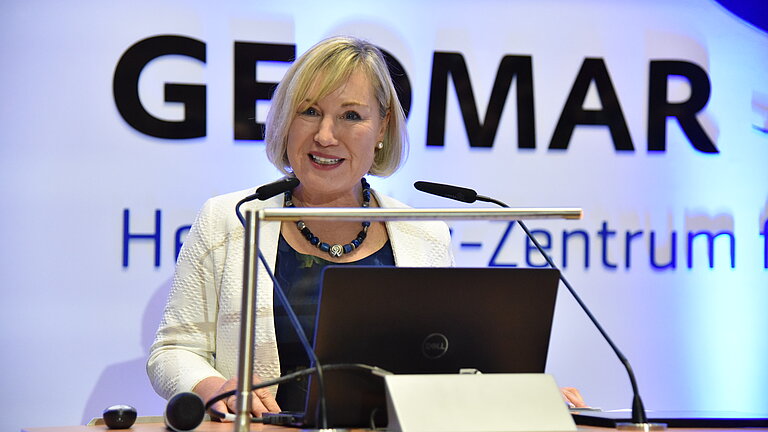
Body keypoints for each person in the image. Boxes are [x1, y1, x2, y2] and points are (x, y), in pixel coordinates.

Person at [147, 35, 586, 420]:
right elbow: (172, 352)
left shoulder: (423, 235)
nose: (324, 135)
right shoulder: (231, 219)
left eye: (351, 116)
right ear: (284, 121)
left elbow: (448, 365)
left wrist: (523, 392)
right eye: (309, 111)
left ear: (382, 127)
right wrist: (211, 386)